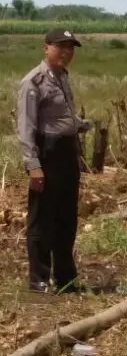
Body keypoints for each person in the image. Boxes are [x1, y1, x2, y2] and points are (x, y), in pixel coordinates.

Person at [17, 28, 92, 294]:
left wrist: (79, 125)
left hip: (67, 153)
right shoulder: (33, 82)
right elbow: (26, 127)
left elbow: (60, 116)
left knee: (66, 216)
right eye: (61, 47)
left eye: (70, 48)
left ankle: (65, 277)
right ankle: (39, 278)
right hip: (46, 155)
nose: (67, 52)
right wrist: (33, 165)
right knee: (42, 218)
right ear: (45, 48)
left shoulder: (62, 77)